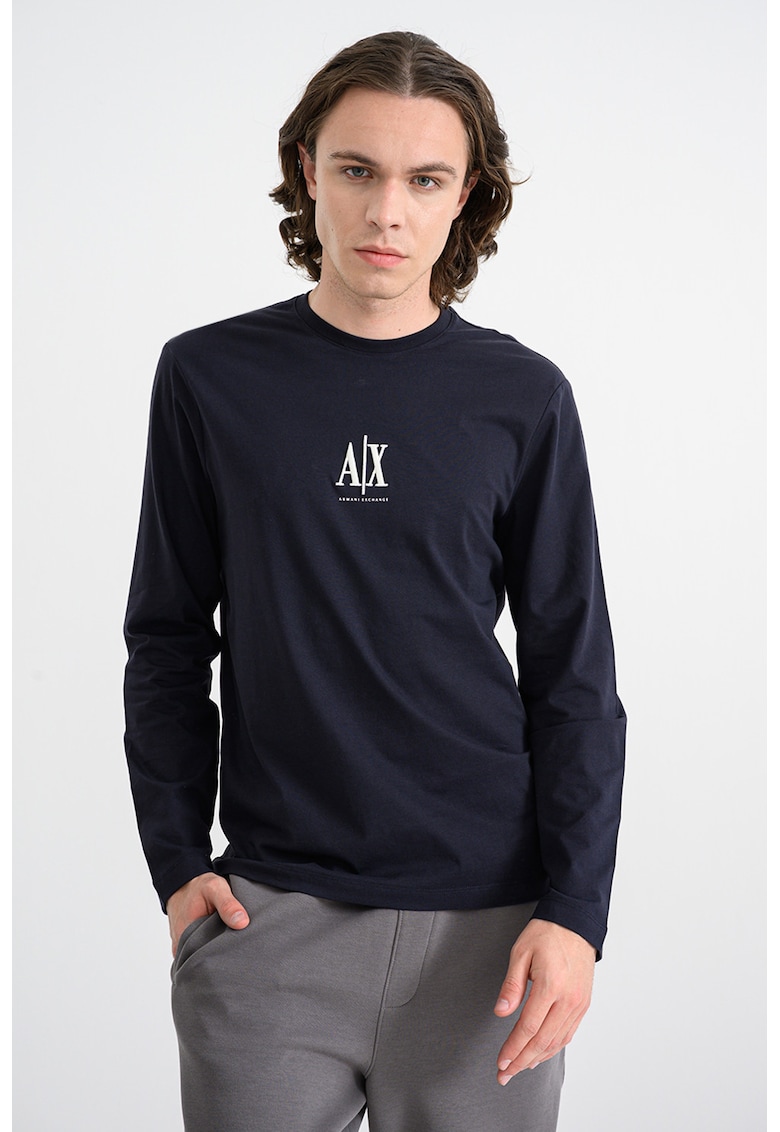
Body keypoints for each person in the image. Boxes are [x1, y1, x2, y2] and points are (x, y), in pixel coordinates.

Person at [124, 29, 626, 1132]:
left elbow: (575, 675)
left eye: (425, 179)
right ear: (307, 169)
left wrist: (577, 914)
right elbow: (166, 638)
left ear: (467, 195)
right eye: (357, 169)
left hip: (492, 933)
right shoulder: (208, 377)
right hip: (268, 925)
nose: (386, 211)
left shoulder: (523, 397)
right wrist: (177, 864)